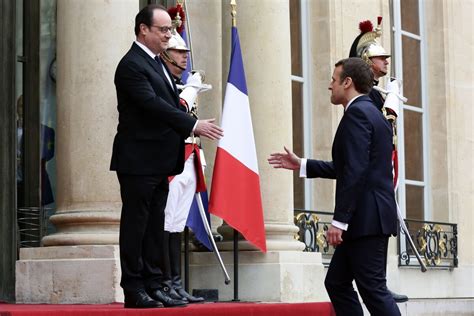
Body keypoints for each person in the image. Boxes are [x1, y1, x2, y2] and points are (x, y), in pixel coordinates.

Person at [110, 4, 223, 309]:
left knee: (154, 226)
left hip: (160, 160)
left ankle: (155, 283)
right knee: (136, 225)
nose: (168, 35)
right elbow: (151, 105)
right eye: (163, 30)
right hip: (138, 159)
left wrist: (189, 114)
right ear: (143, 29)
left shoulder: (158, 62)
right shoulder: (131, 65)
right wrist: (193, 124)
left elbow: (171, 102)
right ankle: (134, 288)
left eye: (170, 29)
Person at [268, 58, 401, 316]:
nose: (330, 85)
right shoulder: (371, 111)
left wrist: (340, 221)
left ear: (347, 82)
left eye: (333, 79)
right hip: (366, 218)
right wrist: (303, 164)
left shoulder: (359, 113)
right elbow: (350, 166)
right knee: (337, 283)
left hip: (365, 220)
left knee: (373, 289)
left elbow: (355, 171)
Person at [349, 17, 408, 303]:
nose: (385, 61)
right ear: (365, 62)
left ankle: (380, 286)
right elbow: (379, 133)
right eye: (379, 58)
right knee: (367, 285)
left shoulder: (375, 93)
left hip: (375, 189)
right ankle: (379, 288)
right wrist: (391, 108)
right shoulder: (367, 97)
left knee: (351, 281)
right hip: (368, 191)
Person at [159, 15, 206, 304]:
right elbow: (176, 110)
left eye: (185, 53)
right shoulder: (167, 84)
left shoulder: (180, 82)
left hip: (189, 156)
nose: (184, 57)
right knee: (166, 222)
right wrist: (190, 89)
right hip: (170, 159)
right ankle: (165, 283)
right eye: (179, 52)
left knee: (177, 223)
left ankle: (175, 283)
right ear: (166, 54)